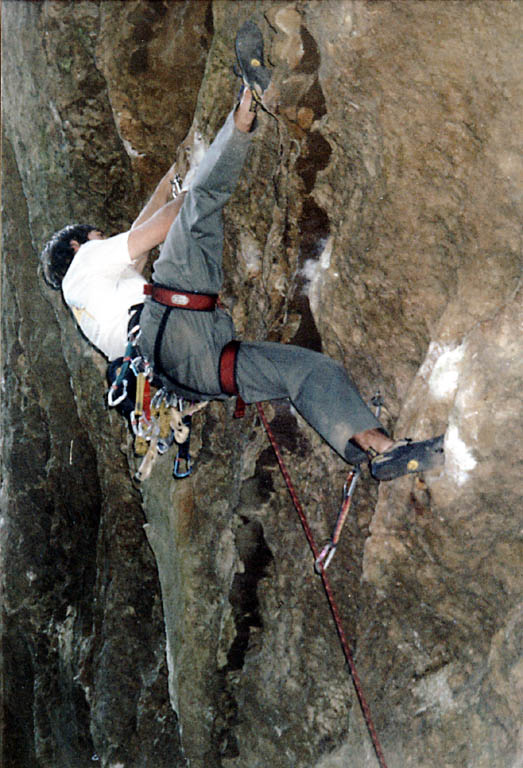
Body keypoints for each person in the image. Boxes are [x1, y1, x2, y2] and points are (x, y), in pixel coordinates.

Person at [40, 21, 443, 481]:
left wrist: (172, 175)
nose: (102, 238)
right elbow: (154, 232)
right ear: (77, 244)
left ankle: (382, 449)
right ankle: (245, 112)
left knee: (306, 371)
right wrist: (192, 182)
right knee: (199, 208)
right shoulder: (84, 262)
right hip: (170, 333)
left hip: (194, 372)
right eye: (95, 235)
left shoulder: (90, 305)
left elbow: (137, 237)